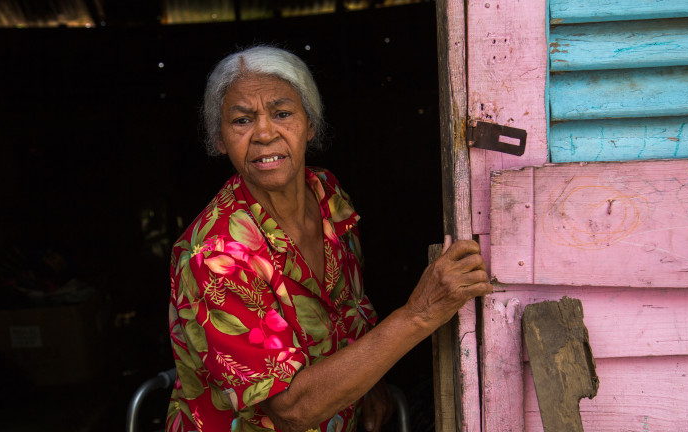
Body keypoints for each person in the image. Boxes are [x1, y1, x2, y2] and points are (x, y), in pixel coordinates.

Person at [166, 46, 492, 432]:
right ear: (220, 138)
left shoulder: (326, 194)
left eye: (282, 113)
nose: (265, 134)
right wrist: (419, 314)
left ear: (310, 124)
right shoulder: (215, 256)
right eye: (242, 120)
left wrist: (370, 383)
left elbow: (351, 311)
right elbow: (290, 410)